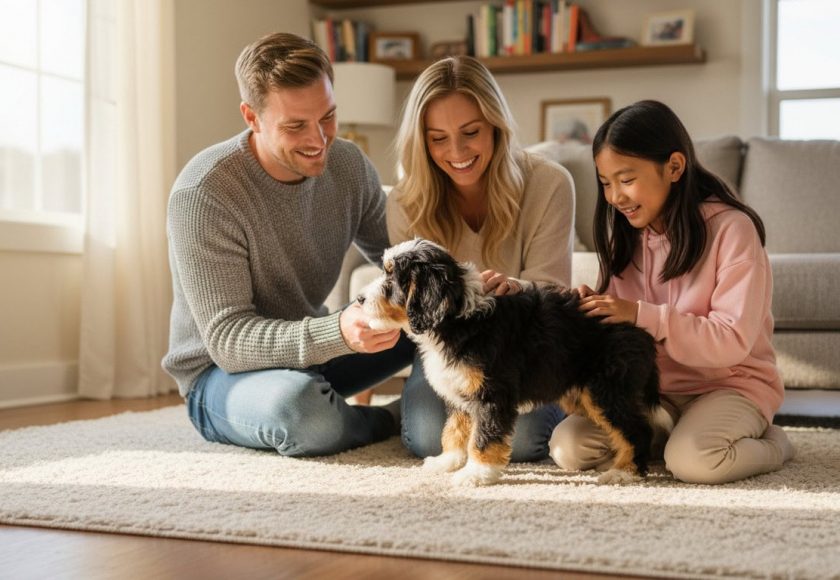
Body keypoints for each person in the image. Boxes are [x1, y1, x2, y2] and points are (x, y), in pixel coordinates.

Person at [163, 32, 414, 457]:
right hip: (220, 375)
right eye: (296, 126)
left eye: (328, 117)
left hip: (314, 355)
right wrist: (337, 330)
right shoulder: (205, 193)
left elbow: (401, 259)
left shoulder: (349, 166)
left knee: (438, 318)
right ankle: (393, 418)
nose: (319, 140)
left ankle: (436, 409)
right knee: (301, 412)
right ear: (252, 117)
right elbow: (227, 339)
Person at [549, 100, 795, 484]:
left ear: (675, 167)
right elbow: (622, 333)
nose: (615, 197)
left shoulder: (733, 230)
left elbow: (731, 342)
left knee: (696, 461)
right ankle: (669, 438)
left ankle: (775, 444)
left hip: (728, 386)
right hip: (655, 392)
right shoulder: (628, 236)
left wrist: (640, 313)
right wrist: (590, 315)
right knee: (569, 446)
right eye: (606, 183)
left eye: (626, 180)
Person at [388, 56, 576, 462]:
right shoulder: (405, 202)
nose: (456, 152)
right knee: (424, 439)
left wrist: (516, 290)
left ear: (496, 125)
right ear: (420, 141)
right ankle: (398, 411)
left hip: (524, 346)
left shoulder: (550, 183)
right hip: (447, 348)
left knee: (523, 444)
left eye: (470, 132)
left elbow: (553, 293)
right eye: (437, 138)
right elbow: (411, 309)